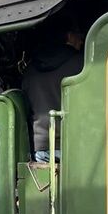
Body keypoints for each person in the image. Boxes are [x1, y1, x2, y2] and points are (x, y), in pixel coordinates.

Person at [21, 18, 85, 162]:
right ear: (69, 36)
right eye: (79, 36)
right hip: (71, 145)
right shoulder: (82, 63)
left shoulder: (30, 69)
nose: (81, 41)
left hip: (39, 146)